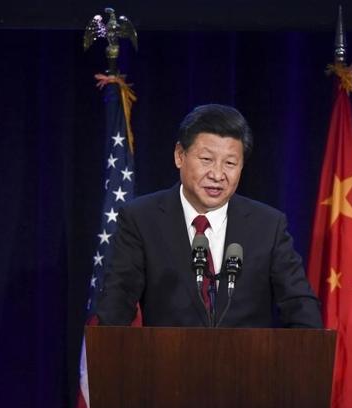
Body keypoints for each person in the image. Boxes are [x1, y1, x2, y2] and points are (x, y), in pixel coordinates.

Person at [97, 104, 322, 328]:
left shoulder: (268, 226)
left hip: (249, 362)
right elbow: (116, 304)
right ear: (179, 155)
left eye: (230, 163)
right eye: (206, 159)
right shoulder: (141, 219)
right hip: (167, 361)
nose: (217, 175)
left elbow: (301, 307)